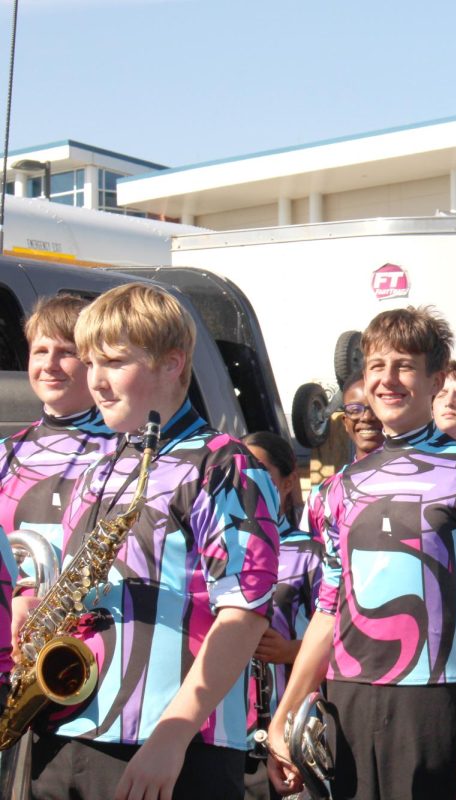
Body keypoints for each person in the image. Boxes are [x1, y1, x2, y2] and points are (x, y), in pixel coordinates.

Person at [30, 282, 280, 800]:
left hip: (170, 744)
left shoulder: (223, 464)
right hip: (68, 734)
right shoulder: (101, 462)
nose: (95, 381)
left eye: (115, 362)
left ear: (172, 363)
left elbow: (245, 612)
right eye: (91, 361)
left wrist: (174, 733)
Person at [268, 307, 456, 800]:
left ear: (436, 380)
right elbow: (327, 609)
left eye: (404, 365)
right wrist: (284, 714)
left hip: (437, 704)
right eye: (376, 366)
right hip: (348, 703)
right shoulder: (337, 488)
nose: (387, 380)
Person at [2, 295, 115, 604]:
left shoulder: (129, 451)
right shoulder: (4, 453)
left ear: (95, 362)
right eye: (40, 351)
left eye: (66, 352)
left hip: (100, 634)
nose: (49, 365)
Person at [242, 431, 323, 800]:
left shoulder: (309, 553)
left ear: (288, 482)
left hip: (290, 726)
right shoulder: (214, 550)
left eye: (259, 471)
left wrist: (290, 651)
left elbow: (345, 633)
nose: (246, 482)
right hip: (225, 732)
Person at [300, 371, 383, 544]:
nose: (367, 417)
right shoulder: (323, 496)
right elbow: (313, 557)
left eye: (376, 407)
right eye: (355, 410)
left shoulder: (419, 480)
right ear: (345, 422)